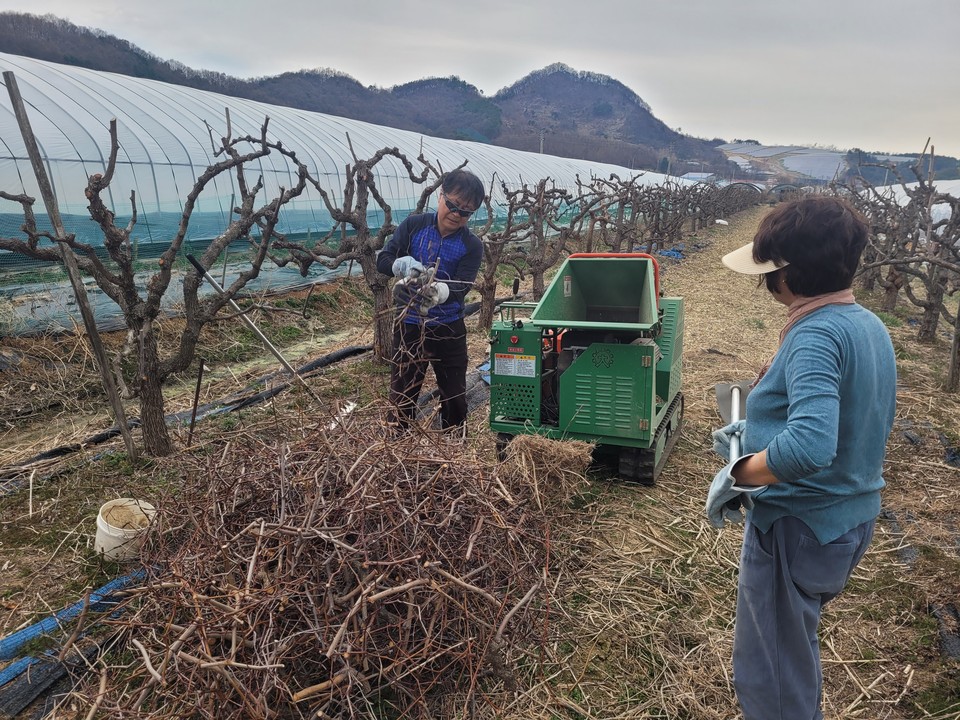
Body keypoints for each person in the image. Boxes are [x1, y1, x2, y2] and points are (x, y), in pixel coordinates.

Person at [705, 195, 897, 720]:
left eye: (770, 270)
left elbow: (812, 444)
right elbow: (860, 419)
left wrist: (739, 473)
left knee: (772, 671)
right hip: (849, 519)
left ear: (789, 274)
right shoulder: (868, 326)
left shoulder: (816, 334)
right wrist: (758, 427)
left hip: (798, 526)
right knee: (793, 642)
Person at [376, 169, 485, 432]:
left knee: (454, 397)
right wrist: (402, 267)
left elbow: (462, 285)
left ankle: (453, 451)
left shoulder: (472, 245)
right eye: (453, 205)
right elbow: (383, 259)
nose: (457, 215)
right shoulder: (414, 226)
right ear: (440, 196)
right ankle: (398, 448)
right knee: (403, 394)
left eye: (466, 212)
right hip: (409, 326)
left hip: (448, 328)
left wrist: (438, 293)